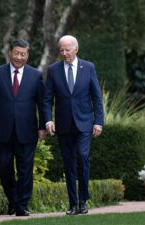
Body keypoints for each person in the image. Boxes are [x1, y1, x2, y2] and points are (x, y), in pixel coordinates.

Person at [43, 35, 104, 215]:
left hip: (84, 123)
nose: (64, 53)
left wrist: (98, 121)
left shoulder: (89, 67)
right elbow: (47, 100)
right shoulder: (53, 70)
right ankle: (72, 203)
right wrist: (48, 119)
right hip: (63, 125)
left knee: (82, 156)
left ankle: (83, 200)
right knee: (69, 163)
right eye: (61, 50)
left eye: (67, 50)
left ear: (76, 49)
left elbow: (96, 97)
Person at [0, 39, 45, 216]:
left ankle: (22, 206)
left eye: (23, 54)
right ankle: (14, 200)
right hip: (3, 130)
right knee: (4, 167)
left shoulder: (36, 75)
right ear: (10, 53)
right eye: (16, 53)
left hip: (27, 130)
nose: (19, 57)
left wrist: (42, 126)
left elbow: (42, 104)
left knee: (25, 169)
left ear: (27, 55)